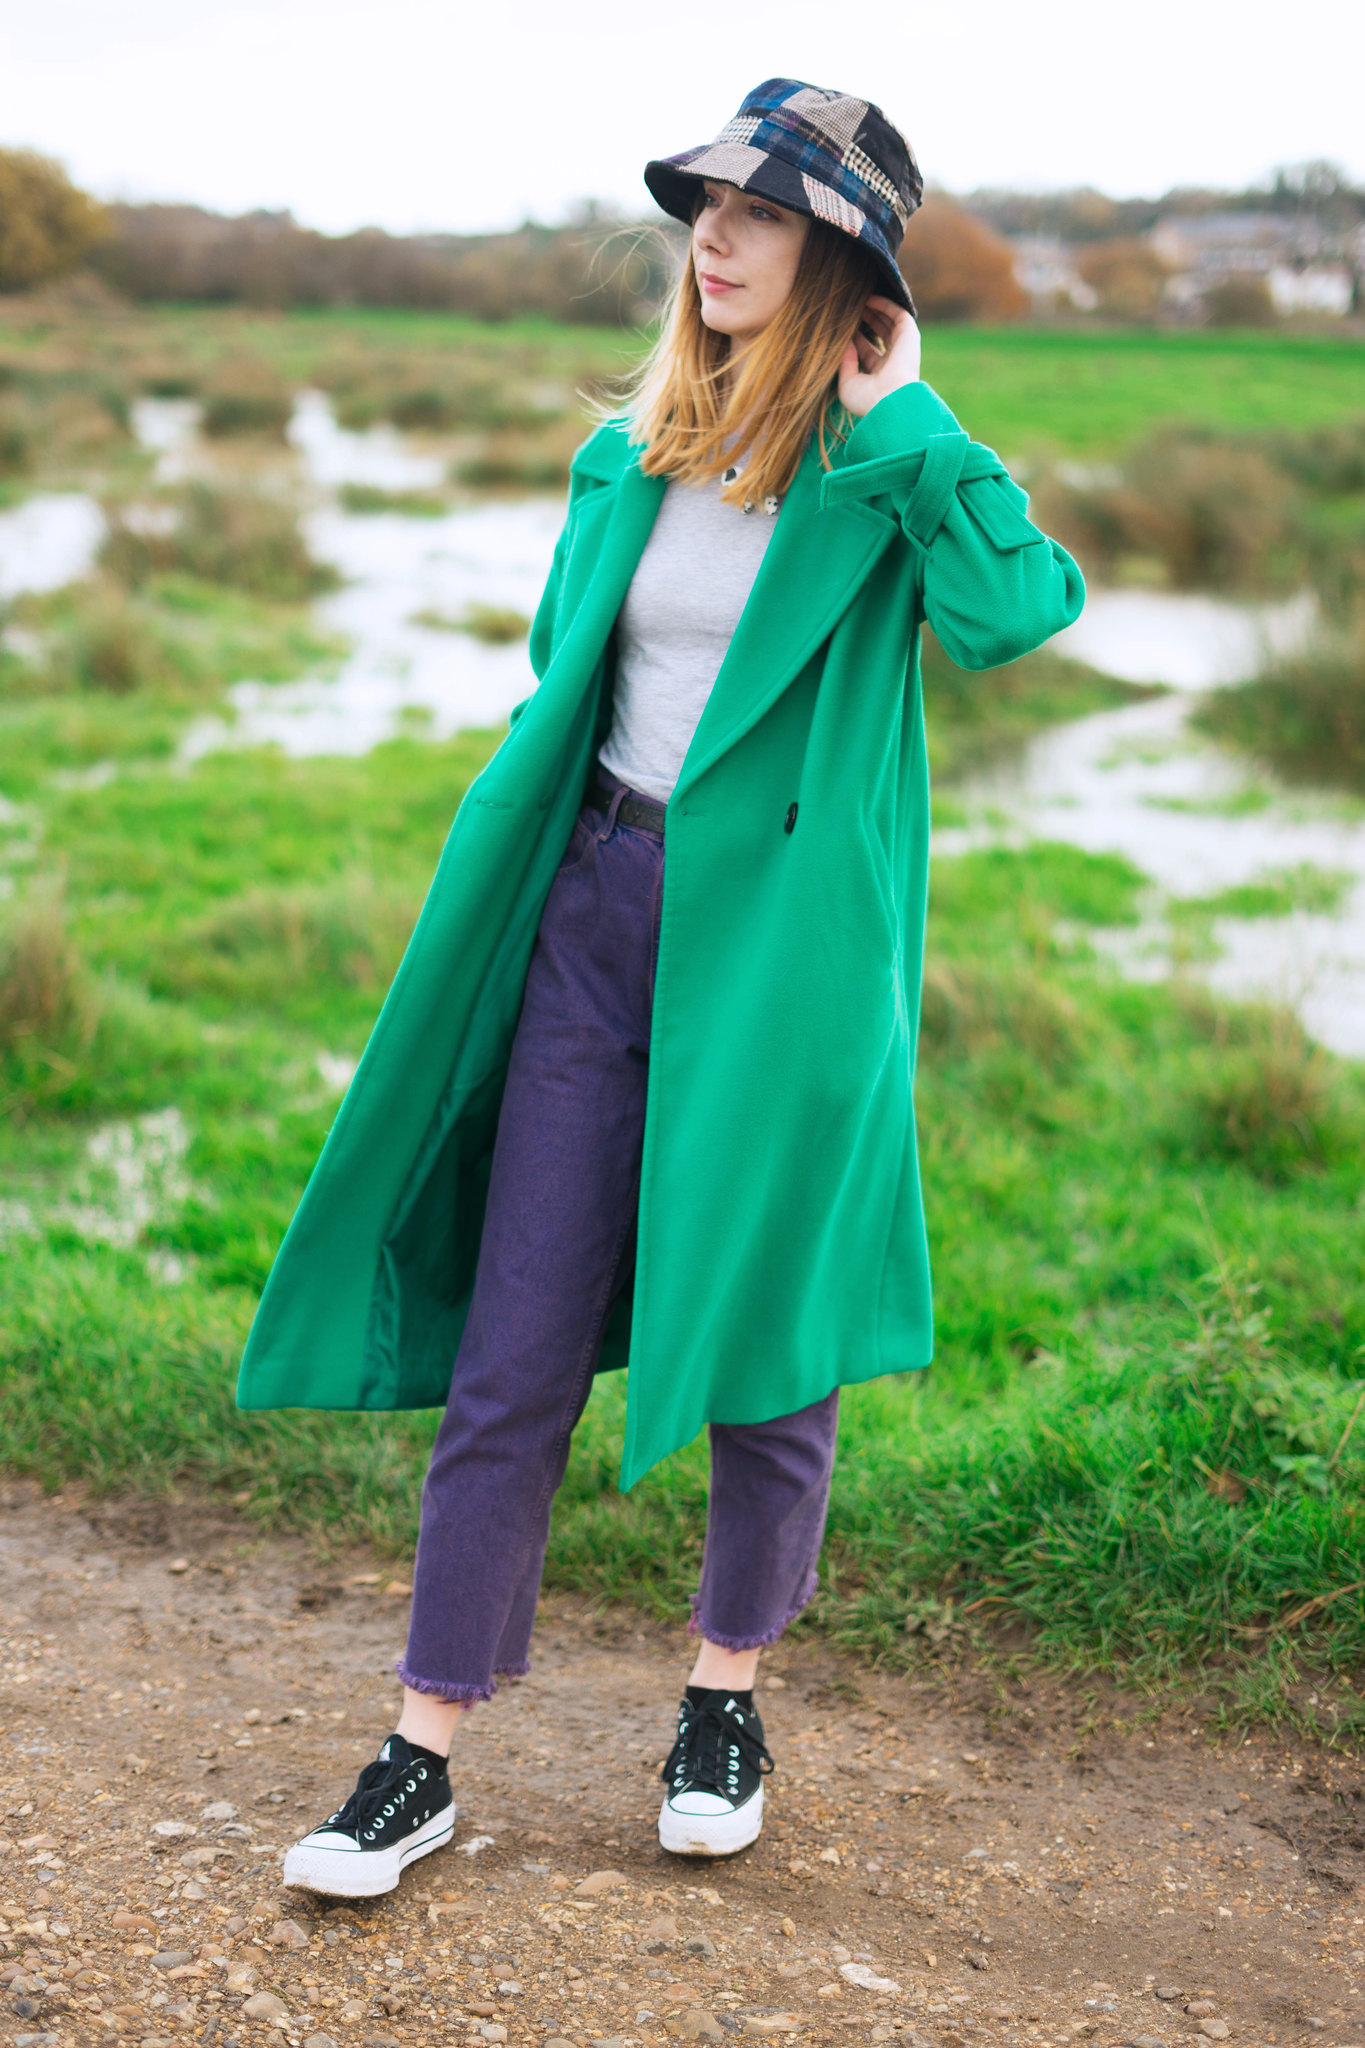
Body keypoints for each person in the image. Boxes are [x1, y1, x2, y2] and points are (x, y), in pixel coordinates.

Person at [239, 78, 1084, 1898]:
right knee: (513, 1343)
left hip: (782, 945)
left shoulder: (890, 475)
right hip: (597, 911)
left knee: (774, 1344)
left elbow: (1023, 613)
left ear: (840, 260)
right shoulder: (620, 456)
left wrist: (913, 414)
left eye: (761, 215)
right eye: (704, 205)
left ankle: (723, 1698)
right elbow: (571, 675)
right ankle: (419, 1749)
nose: (713, 238)